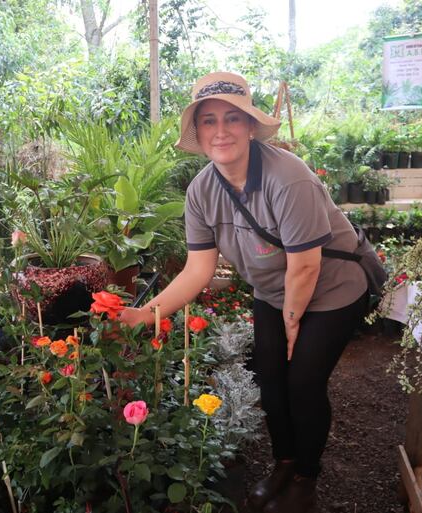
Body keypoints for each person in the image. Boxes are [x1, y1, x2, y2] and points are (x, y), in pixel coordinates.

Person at [119, 71, 376, 513]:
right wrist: (147, 314)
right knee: (269, 380)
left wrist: (293, 323)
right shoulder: (201, 191)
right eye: (209, 120)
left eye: (233, 119)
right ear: (197, 133)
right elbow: (198, 270)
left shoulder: (286, 177)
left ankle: (306, 481)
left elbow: (307, 264)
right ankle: (284, 462)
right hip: (276, 291)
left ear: (251, 126)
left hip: (332, 287)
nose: (221, 131)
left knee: (304, 383)